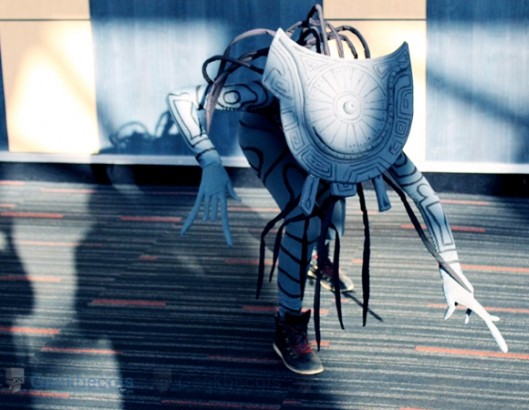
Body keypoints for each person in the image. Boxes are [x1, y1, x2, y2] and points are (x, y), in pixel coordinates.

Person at [166, 5, 507, 376]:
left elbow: (424, 196)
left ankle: (316, 257)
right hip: (266, 134)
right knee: (305, 218)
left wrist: (452, 272)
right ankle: (288, 324)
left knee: (334, 199)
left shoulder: (365, 121)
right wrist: (209, 161)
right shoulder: (268, 91)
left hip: (313, 141)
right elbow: (182, 99)